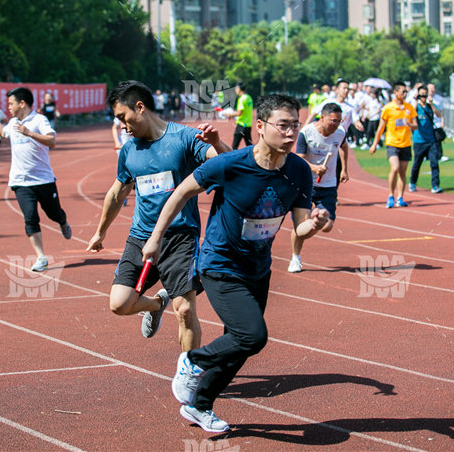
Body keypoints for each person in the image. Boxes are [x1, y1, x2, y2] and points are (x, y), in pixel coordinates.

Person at [141, 93, 329, 433]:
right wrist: (155, 238)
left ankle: (200, 406)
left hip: (258, 267)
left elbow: (299, 225)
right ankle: (192, 360)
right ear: (260, 126)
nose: (291, 133)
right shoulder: (231, 164)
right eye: (283, 125)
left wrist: (313, 224)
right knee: (252, 336)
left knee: (238, 345)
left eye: (295, 126)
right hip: (220, 263)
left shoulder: (299, 171)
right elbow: (180, 192)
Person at [86, 80, 230, 352]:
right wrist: (100, 232)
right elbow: (117, 194)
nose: (122, 126)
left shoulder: (185, 138)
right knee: (120, 304)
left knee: (185, 310)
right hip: (141, 236)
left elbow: (228, 165)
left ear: (139, 107)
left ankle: (189, 373)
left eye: (122, 117)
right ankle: (156, 304)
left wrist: (217, 142)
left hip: (179, 238)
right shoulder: (129, 150)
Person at [0, 87, 72, 271]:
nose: (8, 107)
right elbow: (2, 132)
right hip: (20, 181)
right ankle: (41, 257)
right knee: (30, 218)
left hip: (43, 180)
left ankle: (62, 221)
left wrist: (29, 133)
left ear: (22, 103)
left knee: (53, 213)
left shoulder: (39, 120)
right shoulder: (13, 122)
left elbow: (52, 141)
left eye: (11, 103)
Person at [287, 102, 347, 273]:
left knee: (327, 226)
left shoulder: (340, 133)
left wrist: (345, 169)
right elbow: (298, 158)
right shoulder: (307, 133)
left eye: (339, 121)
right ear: (322, 117)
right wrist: (313, 168)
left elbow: (344, 147)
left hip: (328, 185)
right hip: (306, 184)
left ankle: (314, 222)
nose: (336, 125)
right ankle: (295, 258)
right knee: (300, 227)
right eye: (333, 121)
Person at [369, 82, 417, 208]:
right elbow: (381, 127)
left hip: (406, 143)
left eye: (406, 92)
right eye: (402, 92)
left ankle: (400, 197)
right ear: (395, 93)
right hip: (392, 143)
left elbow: (415, 125)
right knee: (394, 168)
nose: (405, 94)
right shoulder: (388, 108)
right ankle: (390, 195)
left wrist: (409, 124)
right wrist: (374, 144)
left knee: (402, 172)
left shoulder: (409, 107)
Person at [408, 84, 443, 194]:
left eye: (425, 94)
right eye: (421, 95)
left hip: (431, 140)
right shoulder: (416, 107)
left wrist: (431, 104)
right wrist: (415, 101)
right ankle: (412, 182)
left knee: (434, 163)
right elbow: (410, 115)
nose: (423, 97)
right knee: (417, 163)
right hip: (419, 140)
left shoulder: (430, 106)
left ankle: (435, 185)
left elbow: (438, 114)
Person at [225, 82, 254, 150]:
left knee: (234, 146)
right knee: (249, 145)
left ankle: (233, 160)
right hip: (248, 125)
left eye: (235, 89)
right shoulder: (249, 97)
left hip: (241, 125)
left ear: (238, 89)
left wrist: (228, 114)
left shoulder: (241, 99)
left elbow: (239, 113)